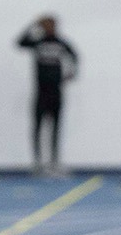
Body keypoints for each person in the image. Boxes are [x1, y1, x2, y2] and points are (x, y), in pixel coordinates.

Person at [17, 15, 78, 174]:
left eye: (52, 25)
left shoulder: (60, 43)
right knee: (37, 127)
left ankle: (54, 162)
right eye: (46, 25)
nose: (49, 28)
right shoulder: (38, 42)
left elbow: (74, 55)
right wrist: (33, 25)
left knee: (55, 128)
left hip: (56, 93)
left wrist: (72, 72)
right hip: (40, 93)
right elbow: (20, 42)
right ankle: (37, 162)